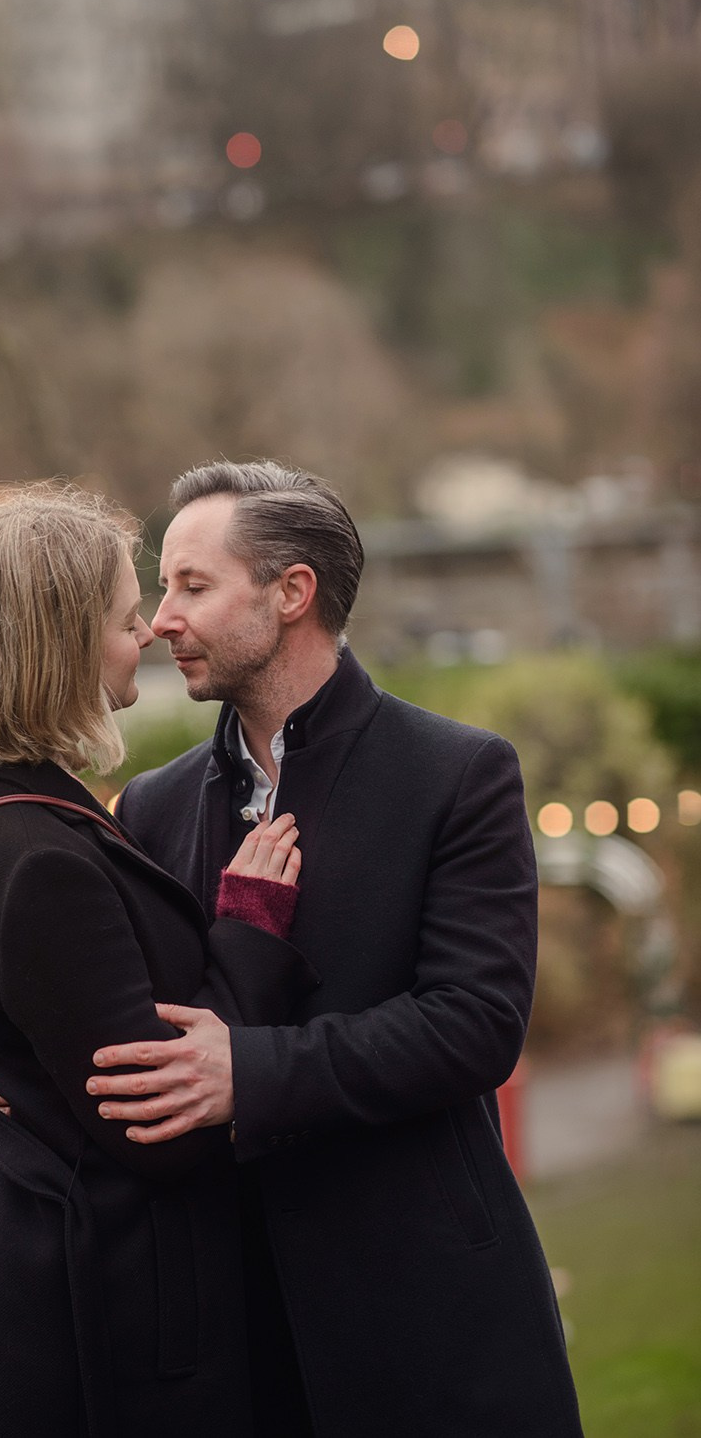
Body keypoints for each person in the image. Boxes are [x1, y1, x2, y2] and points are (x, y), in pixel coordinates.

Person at [79, 460, 584, 1437]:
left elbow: (475, 1025)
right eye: (160, 589)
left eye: (192, 586)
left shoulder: (458, 773)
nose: (159, 621)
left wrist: (250, 1072)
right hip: (230, 1328)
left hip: (430, 1311)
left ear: (291, 592)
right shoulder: (149, 806)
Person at [0, 483, 318, 1438]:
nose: (151, 631)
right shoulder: (35, 849)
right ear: (58, 644)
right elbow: (159, 1122)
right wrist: (249, 927)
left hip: (51, 1260)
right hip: (94, 1306)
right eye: (125, 619)